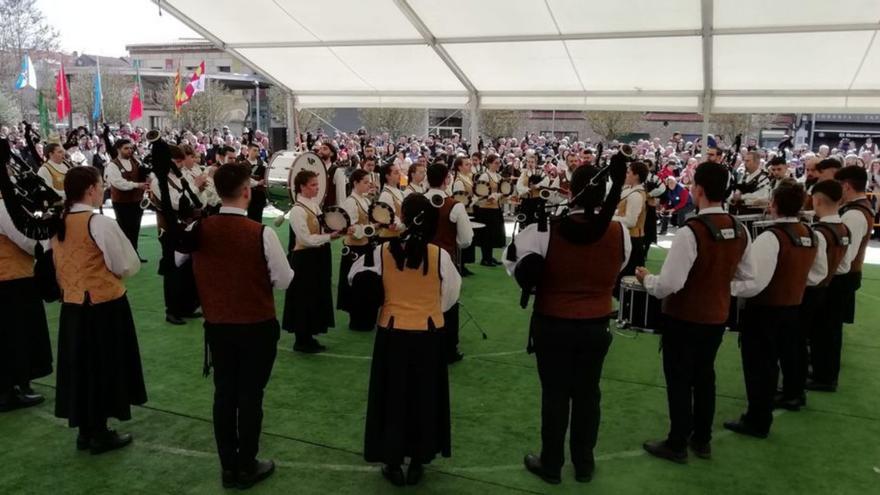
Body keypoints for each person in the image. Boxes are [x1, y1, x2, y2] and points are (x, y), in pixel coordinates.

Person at [503, 154, 630, 484]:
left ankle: (552, 464)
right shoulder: (620, 233)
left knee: (555, 394)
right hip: (596, 324)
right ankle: (584, 464)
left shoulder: (545, 230)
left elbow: (515, 268)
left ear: (570, 190)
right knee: (588, 394)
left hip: (553, 323)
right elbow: (617, 266)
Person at [176, 163, 293, 489]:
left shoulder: (199, 229)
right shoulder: (261, 232)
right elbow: (283, 280)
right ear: (246, 191)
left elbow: (177, 259)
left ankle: (229, 466)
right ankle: (247, 463)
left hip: (218, 325)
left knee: (224, 394)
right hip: (256, 325)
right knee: (250, 396)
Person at [636, 162, 754, 463]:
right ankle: (702, 439)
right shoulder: (740, 229)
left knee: (679, 379)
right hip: (716, 316)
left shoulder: (692, 231)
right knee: (705, 376)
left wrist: (647, 279)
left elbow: (670, 284)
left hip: (684, 318)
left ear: (698, 189)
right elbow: (747, 277)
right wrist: (720, 290)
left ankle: (677, 443)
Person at [349, 194, 461, 487]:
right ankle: (418, 460)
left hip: (392, 334)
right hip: (428, 334)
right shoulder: (440, 256)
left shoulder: (380, 253)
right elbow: (450, 298)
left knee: (393, 398)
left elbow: (355, 280)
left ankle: (393, 461)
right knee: (424, 397)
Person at [51, 166, 146, 454]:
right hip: (104, 306)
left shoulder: (59, 221)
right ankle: (100, 431)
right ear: (91, 189)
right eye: (101, 184)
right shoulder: (99, 223)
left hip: (73, 305)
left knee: (80, 369)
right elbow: (125, 264)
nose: (102, 189)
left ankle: (86, 430)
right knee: (105, 366)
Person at [724, 181, 823, 438]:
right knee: (781, 359)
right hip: (793, 307)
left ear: (774, 205)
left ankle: (757, 419)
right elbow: (817, 274)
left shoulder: (771, 237)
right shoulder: (810, 233)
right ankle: (772, 406)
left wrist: (729, 288)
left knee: (760, 366)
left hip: (766, 310)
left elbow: (755, 281)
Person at [784, 180, 850, 410]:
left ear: (818, 199)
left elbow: (815, 271)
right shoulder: (843, 229)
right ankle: (802, 385)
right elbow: (844, 266)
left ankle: (794, 390)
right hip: (829, 288)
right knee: (819, 338)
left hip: (812, 292)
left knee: (796, 343)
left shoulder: (820, 233)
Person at [808, 166, 874, 391]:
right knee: (826, 329)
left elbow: (845, 255)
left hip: (840, 278)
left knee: (828, 330)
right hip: (842, 276)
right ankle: (821, 370)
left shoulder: (854, 215)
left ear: (846, 185)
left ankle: (825, 376)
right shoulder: (858, 210)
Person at [282, 170, 350, 353]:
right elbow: (304, 239)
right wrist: (328, 237)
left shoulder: (313, 205)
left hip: (316, 257)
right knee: (304, 297)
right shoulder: (297, 210)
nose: (317, 187)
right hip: (304, 260)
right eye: (313, 184)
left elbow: (322, 229)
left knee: (314, 296)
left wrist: (336, 233)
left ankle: (308, 335)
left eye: (316, 184)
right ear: (302, 187)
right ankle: (301, 339)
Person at [0, 195, 52, 412]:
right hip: (12, 279)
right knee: (15, 335)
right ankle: (8, 391)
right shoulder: (2, 205)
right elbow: (26, 239)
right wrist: (46, 237)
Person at [149, 144, 202, 325]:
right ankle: (172, 310)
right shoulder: (158, 181)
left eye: (180, 161)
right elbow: (177, 203)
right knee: (172, 271)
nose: (180, 165)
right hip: (169, 231)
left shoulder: (179, 177)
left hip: (185, 227)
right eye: (177, 161)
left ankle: (186, 307)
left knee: (187, 269)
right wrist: (196, 187)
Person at [426, 163, 474, 363]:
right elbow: (466, 240)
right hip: (445, 260)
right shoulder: (455, 206)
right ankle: (447, 349)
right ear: (447, 179)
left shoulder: (415, 200)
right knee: (449, 303)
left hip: (419, 259)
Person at [338, 169, 379, 331]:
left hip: (366, 247)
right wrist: (372, 227)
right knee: (355, 284)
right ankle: (357, 319)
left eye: (369, 182)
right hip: (355, 249)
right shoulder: (350, 202)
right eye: (365, 182)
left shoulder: (365, 200)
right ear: (355, 183)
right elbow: (352, 229)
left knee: (366, 285)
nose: (369, 185)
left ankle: (366, 317)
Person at [104, 139, 149, 262]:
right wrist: (137, 185)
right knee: (124, 230)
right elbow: (119, 183)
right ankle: (123, 257)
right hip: (121, 202)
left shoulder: (135, 162)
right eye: (126, 148)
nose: (129, 150)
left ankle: (134, 254)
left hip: (137, 201)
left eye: (130, 148)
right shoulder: (113, 165)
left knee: (135, 229)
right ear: (118, 149)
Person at [613, 161, 649, 293]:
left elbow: (630, 221)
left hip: (633, 240)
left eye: (629, 172)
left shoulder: (636, 195)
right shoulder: (630, 190)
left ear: (636, 176)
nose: (626, 175)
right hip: (628, 238)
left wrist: (611, 218)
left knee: (628, 279)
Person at [473, 154, 506, 266]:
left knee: (493, 233)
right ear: (489, 163)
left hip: (495, 208)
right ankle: (485, 258)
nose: (498, 165)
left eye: (499, 163)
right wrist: (489, 197)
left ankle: (490, 257)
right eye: (496, 163)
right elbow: (480, 192)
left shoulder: (498, 176)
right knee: (486, 234)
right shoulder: (484, 176)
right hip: (485, 209)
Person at [376, 163, 406, 242]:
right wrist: (404, 226)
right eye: (396, 173)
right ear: (387, 176)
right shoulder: (386, 195)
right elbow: (389, 219)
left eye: (399, 172)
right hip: (389, 238)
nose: (399, 174)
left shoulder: (399, 192)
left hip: (399, 235)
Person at [243, 143, 268, 222]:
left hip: (260, 194)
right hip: (250, 193)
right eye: (254, 150)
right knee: (251, 215)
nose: (256, 152)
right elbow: (245, 179)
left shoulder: (263, 164)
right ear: (248, 150)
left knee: (259, 216)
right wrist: (257, 183)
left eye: (257, 151)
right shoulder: (244, 164)